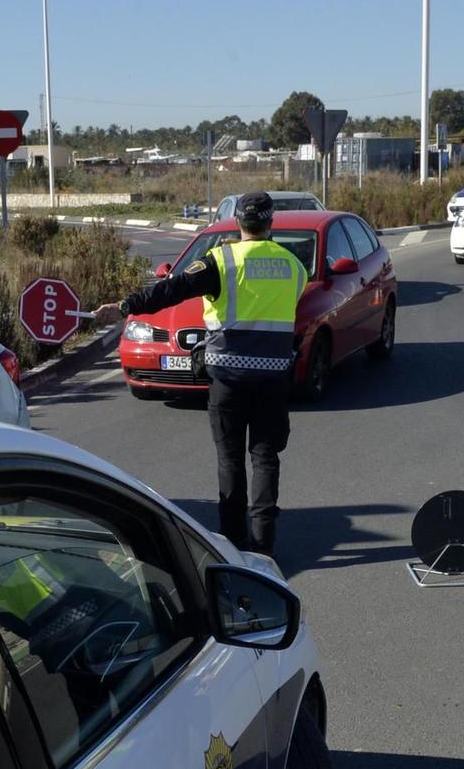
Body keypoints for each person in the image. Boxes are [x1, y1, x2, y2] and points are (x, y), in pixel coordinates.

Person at [93, 190, 307, 557]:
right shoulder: (293, 266)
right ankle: (264, 545)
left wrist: (129, 306)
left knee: (230, 460)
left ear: (238, 222)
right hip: (272, 379)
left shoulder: (220, 261)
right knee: (265, 458)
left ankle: (234, 544)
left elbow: (172, 290)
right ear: (271, 224)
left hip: (228, 379)